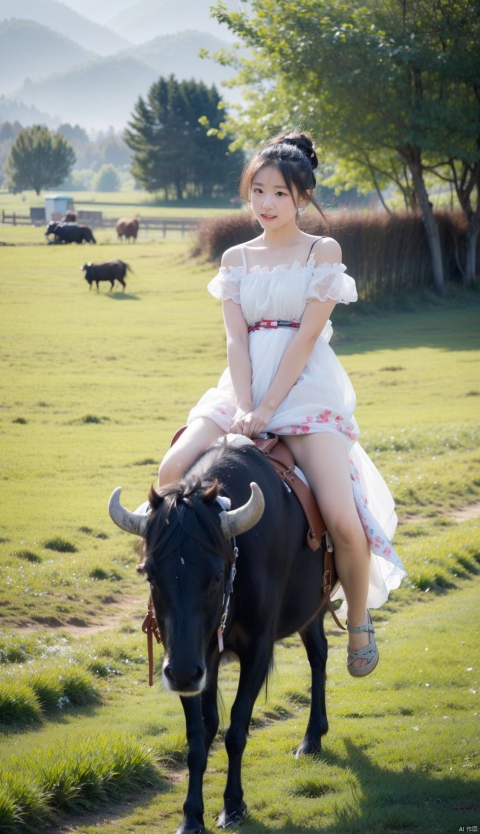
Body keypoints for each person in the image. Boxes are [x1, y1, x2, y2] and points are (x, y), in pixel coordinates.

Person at [158, 131, 405, 677]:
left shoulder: (323, 252)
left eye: (280, 195)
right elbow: (236, 342)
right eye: (258, 192)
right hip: (239, 390)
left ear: (302, 198)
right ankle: (171, 601)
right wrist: (244, 408)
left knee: (344, 521)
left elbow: (303, 340)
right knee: (171, 470)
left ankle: (359, 620)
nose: (266, 205)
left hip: (305, 390)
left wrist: (267, 410)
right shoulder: (236, 258)